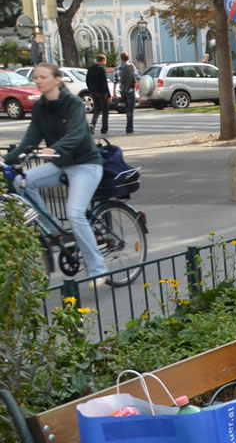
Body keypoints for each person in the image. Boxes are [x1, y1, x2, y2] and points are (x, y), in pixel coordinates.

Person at [3, 63, 108, 280]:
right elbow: (31, 139)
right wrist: (6, 160)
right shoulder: (41, 107)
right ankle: (54, 229)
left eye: (43, 76)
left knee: (75, 213)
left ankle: (98, 269)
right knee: (22, 182)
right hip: (61, 164)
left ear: (57, 79)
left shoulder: (73, 103)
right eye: (35, 78)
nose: (38, 81)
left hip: (86, 163)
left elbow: (77, 133)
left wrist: (56, 149)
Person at [86, 54, 111, 135]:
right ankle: (104, 129)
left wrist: (91, 89)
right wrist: (109, 95)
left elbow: (87, 81)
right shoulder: (102, 69)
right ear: (103, 60)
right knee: (105, 111)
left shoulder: (90, 69)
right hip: (102, 92)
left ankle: (92, 125)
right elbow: (104, 83)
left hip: (93, 92)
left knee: (96, 110)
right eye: (105, 60)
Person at [115, 51, 137, 134]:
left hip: (122, 90)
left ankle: (129, 127)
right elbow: (136, 77)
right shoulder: (131, 66)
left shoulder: (117, 68)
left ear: (121, 58)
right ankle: (129, 128)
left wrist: (114, 91)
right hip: (130, 90)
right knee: (130, 110)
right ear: (128, 58)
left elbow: (115, 80)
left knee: (127, 109)